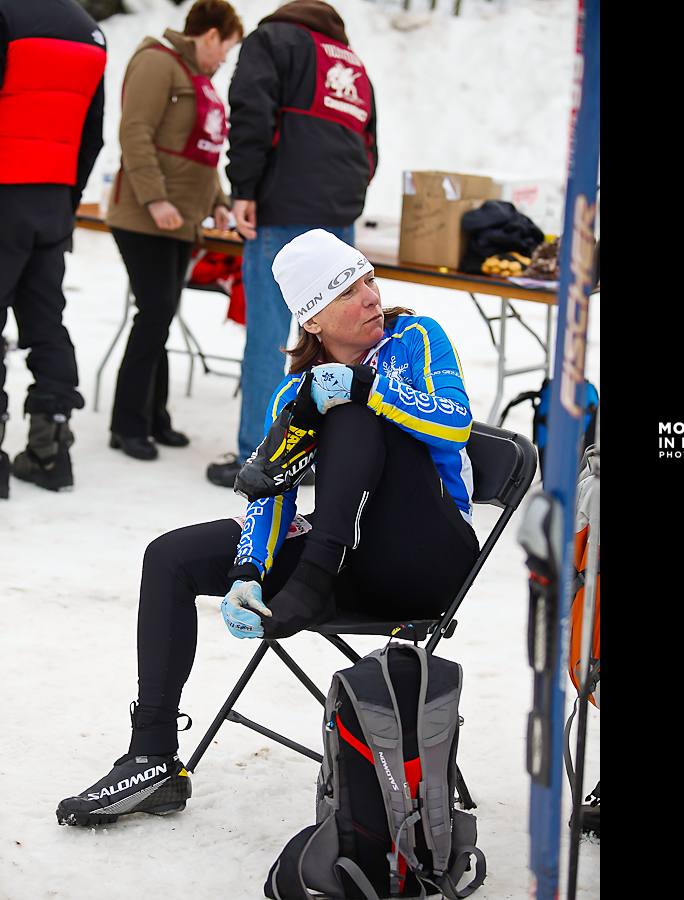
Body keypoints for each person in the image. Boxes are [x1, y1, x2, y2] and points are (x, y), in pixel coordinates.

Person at [57, 230, 479, 826]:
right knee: (170, 556)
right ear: (312, 323)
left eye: (367, 281)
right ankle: (152, 756)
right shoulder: (295, 390)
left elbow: (454, 422)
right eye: (348, 292)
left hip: (425, 553)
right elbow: (271, 489)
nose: (370, 298)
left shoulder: (417, 338)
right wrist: (249, 571)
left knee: (351, 413)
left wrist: (365, 388)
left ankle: (313, 572)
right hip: (342, 559)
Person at [206, 0, 377, 488]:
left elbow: (251, 111)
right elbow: (370, 143)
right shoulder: (351, 61)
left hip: (280, 210)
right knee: (337, 339)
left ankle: (259, 455)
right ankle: (330, 453)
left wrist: (244, 187)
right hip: (338, 215)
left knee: (270, 334)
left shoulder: (273, 41)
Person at [105, 0, 242, 461]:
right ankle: (127, 424)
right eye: (226, 47)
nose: (225, 58)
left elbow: (204, 156)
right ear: (209, 36)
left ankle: (152, 416)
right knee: (155, 312)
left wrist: (218, 202)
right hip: (144, 217)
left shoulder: (199, 81)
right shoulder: (156, 62)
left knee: (160, 315)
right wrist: (154, 198)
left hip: (180, 223)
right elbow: (135, 132)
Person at [0, 0, 106, 497]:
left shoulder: (7, 15)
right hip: (52, 201)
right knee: (46, 323)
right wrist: (66, 195)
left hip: (4, 189)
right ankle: (51, 451)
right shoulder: (89, 31)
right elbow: (94, 132)